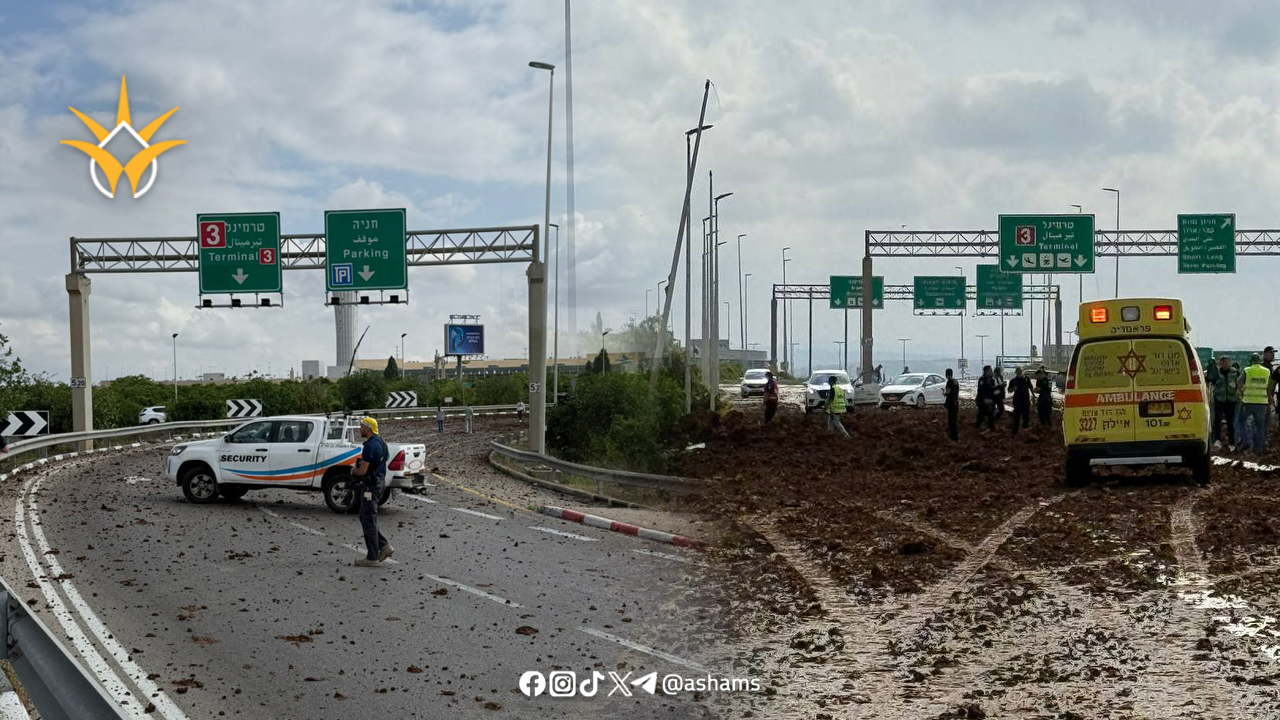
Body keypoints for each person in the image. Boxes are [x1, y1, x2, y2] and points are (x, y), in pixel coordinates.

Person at [351, 417, 392, 567]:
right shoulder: (382, 442)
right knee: (367, 517)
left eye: (361, 426)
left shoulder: (369, 446)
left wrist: (353, 471)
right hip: (380, 483)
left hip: (370, 487)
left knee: (367, 518)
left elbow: (363, 470)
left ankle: (373, 557)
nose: (359, 429)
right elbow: (384, 460)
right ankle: (383, 546)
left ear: (368, 428)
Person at [1207, 355, 1240, 451]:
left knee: (1231, 423)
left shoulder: (1235, 373)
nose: (1225, 364)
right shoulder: (1216, 373)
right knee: (1217, 421)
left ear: (1229, 362)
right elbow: (1209, 379)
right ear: (1220, 363)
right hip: (1219, 400)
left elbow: (1240, 384)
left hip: (1231, 401)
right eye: (1223, 362)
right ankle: (1217, 440)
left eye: (1227, 362)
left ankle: (1232, 443)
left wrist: (1238, 392)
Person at [1241, 353, 1271, 455]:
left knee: (1241, 422)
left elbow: (1239, 382)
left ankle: (1247, 441)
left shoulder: (1247, 370)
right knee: (1260, 426)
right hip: (1262, 403)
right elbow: (1269, 387)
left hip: (1248, 402)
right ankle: (1258, 450)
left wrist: (1242, 390)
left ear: (1251, 361)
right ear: (1259, 360)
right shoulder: (1267, 371)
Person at [1007, 367, 1033, 435]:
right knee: (1017, 415)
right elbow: (1009, 390)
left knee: (1026, 414)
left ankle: (1025, 427)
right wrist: (1013, 389)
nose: (1019, 373)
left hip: (1026, 399)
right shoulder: (1013, 380)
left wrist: (1033, 395)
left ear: (1022, 372)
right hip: (1017, 400)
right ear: (1016, 373)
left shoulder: (1026, 379)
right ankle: (1015, 430)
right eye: (1018, 372)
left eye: (1020, 372)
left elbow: (1031, 387)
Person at [825, 375, 850, 440]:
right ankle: (830, 434)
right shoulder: (839, 388)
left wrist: (826, 406)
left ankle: (846, 435)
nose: (828, 383)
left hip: (835, 407)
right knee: (830, 420)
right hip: (840, 407)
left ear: (831, 382)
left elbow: (830, 399)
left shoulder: (833, 388)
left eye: (829, 382)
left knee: (836, 422)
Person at [975, 365, 996, 431]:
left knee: (991, 413)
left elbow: (993, 389)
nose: (992, 372)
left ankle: (991, 427)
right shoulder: (982, 379)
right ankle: (978, 425)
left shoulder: (992, 380)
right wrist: (985, 399)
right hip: (982, 400)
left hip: (990, 400)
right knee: (982, 413)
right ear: (986, 372)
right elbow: (981, 391)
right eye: (990, 370)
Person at [944, 368, 960, 441]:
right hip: (955, 403)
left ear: (947, 375)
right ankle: (955, 436)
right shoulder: (955, 381)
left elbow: (948, 392)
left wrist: (945, 393)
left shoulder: (949, 382)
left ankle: (953, 437)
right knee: (954, 420)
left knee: (951, 421)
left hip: (951, 403)